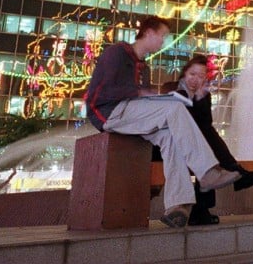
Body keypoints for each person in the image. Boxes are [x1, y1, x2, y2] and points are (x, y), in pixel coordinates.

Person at [85, 16, 241, 227]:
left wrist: (149, 95)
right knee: (174, 107)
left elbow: (141, 99)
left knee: (170, 136)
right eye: (162, 36)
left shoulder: (144, 68)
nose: (163, 42)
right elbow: (106, 90)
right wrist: (143, 92)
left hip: (133, 115)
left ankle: (178, 205)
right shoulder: (118, 53)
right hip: (110, 112)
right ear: (148, 33)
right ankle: (207, 172)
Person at [167, 54, 253, 226]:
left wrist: (200, 98)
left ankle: (201, 211)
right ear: (184, 73)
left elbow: (205, 123)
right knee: (205, 143)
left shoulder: (203, 95)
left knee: (206, 147)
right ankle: (234, 170)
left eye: (201, 76)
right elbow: (185, 123)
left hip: (196, 148)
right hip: (170, 146)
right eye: (192, 74)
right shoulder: (173, 89)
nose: (195, 80)